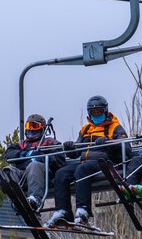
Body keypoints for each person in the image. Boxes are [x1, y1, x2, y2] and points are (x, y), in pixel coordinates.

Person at [45, 95, 130, 226]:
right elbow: (76, 152)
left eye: (99, 112)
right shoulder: (85, 129)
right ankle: (63, 211)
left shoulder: (114, 127)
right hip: (85, 163)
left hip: (105, 163)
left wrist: (109, 143)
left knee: (82, 169)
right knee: (61, 173)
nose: (96, 115)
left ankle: (83, 209)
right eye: (93, 113)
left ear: (105, 112)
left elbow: (126, 148)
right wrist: (70, 149)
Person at [3, 114, 65, 210]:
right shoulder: (23, 144)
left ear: (42, 128)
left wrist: (42, 157)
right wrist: (26, 154)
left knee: (34, 165)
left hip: (43, 173)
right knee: (9, 170)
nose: (31, 129)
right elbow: (8, 153)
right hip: (24, 173)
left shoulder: (49, 142)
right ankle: (15, 197)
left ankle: (35, 198)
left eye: (34, 126)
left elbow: (60, 158)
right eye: (29, 126)